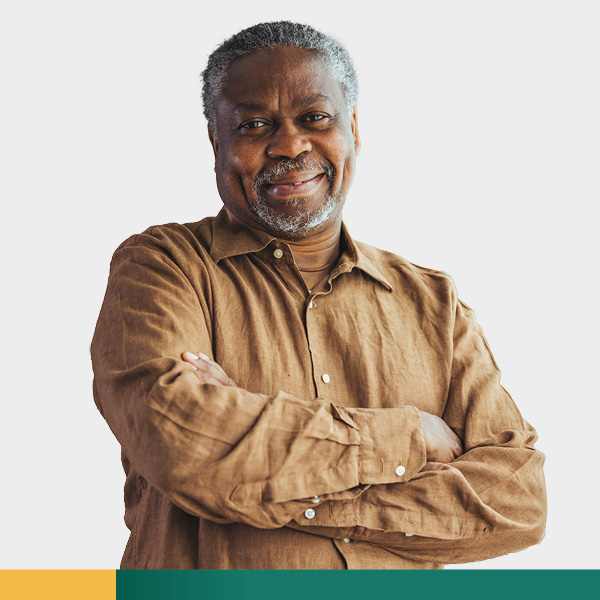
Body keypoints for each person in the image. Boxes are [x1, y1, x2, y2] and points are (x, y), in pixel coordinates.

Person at [91, 21, 546, 570]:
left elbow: (518, 501)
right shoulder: (164, 266)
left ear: (352, 126)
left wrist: (268, 483)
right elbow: (179, 443)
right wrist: (407, 439)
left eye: (314, 118)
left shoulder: (434, 302)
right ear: (218, 141)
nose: (288, 145)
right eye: (255, 124)